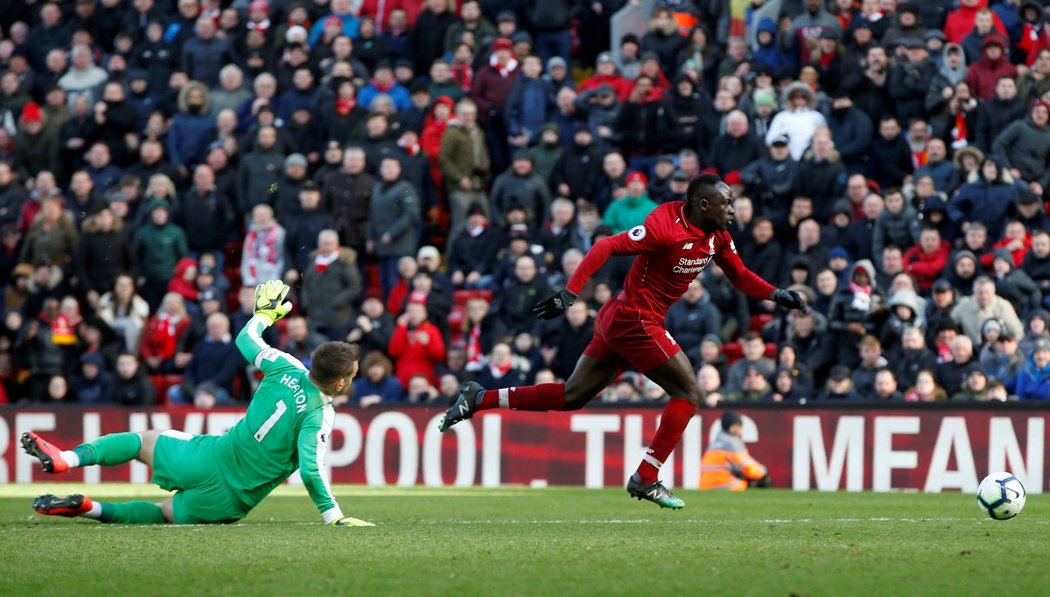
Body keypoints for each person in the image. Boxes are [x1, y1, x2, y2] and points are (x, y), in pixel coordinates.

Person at [438, 174, 806, 509]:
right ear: (704, 206)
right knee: (690, 393)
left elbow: (739, 276)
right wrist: (571, 292)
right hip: (635, 319)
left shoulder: (718, 237)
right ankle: (646, 477)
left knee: (572, 396)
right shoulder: (665, 228)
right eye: (726, 202)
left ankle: (479, 398)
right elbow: (608, 246)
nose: (733, 208)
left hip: (623, 319)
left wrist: (777, 295)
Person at [23, 280, 373, 527]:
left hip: (209, 456)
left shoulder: (286, 366)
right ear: (340, 382)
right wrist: (333, 515)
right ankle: (90, 509)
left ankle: (66, 458)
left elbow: (246, 338)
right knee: (163, 514)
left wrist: (265, 315)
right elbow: (311, 470)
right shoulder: (319, 413)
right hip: (231, 498)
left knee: (140, 441)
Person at [699, 411, 769, 491]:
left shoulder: (715, 443)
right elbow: (749, 469)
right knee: (762, 478)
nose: (738, 429)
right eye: (736, 425)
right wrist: (763, 470)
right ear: (730, 426)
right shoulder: (732, 443)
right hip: (726, 485)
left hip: (705, 487)